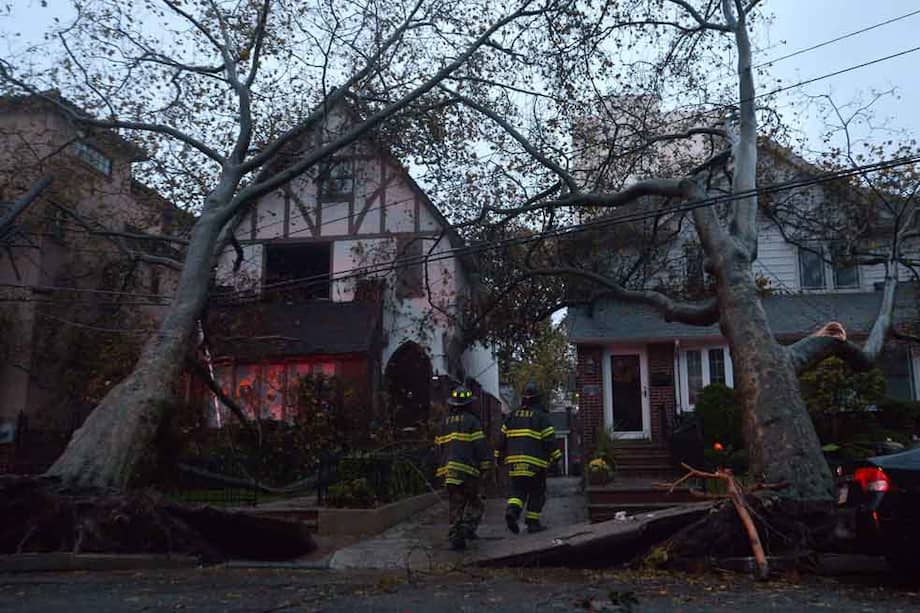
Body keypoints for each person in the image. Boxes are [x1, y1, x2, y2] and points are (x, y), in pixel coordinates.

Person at [434, 385, 493, 551]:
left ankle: (456, 535)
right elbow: (480, 446)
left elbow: (438, 448)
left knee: (456, 503)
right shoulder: (472, 421)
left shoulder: (443, 423)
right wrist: (486, 466)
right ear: (468, 404)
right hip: (467, 471)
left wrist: (440, 469)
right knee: (476, 503)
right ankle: (466, 530)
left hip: (448, 472)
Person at [498, 381, 561, 534]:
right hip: (535, 465)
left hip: (514, 464)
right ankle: (532, 523)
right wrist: (557, 457)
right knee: (537, 492)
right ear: (538, 398)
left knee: (517, 491)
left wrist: (498, 457)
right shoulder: (541, 417)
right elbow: (549, 440)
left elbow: (501, 440)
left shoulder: (511, 416)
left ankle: (512, 511)